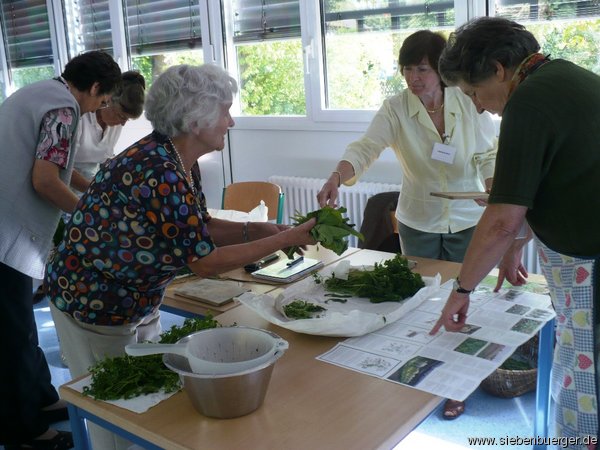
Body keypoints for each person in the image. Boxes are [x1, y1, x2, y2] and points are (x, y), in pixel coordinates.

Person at [44, 64, 316, 450]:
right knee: (117, 416)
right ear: (195, 119)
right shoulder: (159, 169)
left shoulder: (175, 159)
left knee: (152, 408)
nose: (231, 121)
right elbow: (202, 260)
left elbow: (194, 225)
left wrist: (256, 230)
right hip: (92, 304)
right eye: (224, 111)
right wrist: (282, 239)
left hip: (134, 299)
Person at [430, 17, 600, 447]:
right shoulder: (569, 76)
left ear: (500, 70)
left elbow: (503, 218)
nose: (478, 106)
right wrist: (513, 247)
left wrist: (462, 290)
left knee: (585, 382)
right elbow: (554, 184)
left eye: (473, 92)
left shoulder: (527, 103)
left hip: (590, 265)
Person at [317, 30, 497, 419]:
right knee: (420, 302)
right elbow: (367, 147)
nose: (414, 77)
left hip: (468, 218)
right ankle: (424, 379)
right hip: (419, 221)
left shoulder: (467, 101)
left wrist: (492, 183)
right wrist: (337, 175)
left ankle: (459, 384)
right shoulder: (396, 108)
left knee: (467, 301)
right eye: (407, 69)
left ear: (441, 71)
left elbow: (487, 153)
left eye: (422, 69)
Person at [0, 50, 121, 450]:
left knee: (21, 326)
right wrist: (91, 217)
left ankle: (43, 399)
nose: (96, 111)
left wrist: (100, 191)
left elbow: (61, 171)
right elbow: (46, 181)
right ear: (94, 87)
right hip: (4, 234)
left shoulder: (38, 92)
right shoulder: (65, 110)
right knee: (12, 334)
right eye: (101, 102)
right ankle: (25, 432)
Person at [72, 70, 146, 187]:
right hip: (67, 182)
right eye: (121, 116)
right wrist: (92, 189)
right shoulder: (81, 117)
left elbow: (105, 159)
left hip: (91, 183)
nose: (122, 124)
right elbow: (63, 166)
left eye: (127, 119)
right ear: (109, 100)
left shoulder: (115, 125)